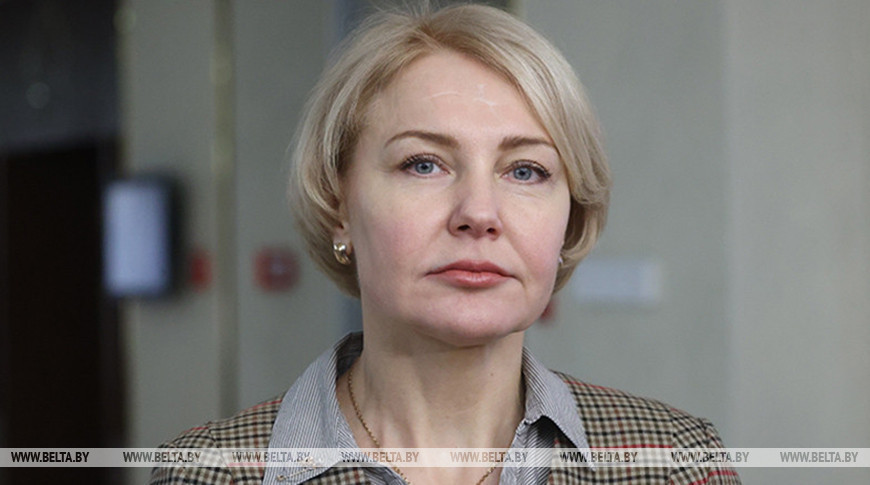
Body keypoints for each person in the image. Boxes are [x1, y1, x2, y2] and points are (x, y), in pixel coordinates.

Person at [151, 4, 740, 484]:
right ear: (338, 208)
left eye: (526, 171)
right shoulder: (209, 474)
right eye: (424, 164)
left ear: (570, 217)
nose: (479, 213)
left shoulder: (675, 462)